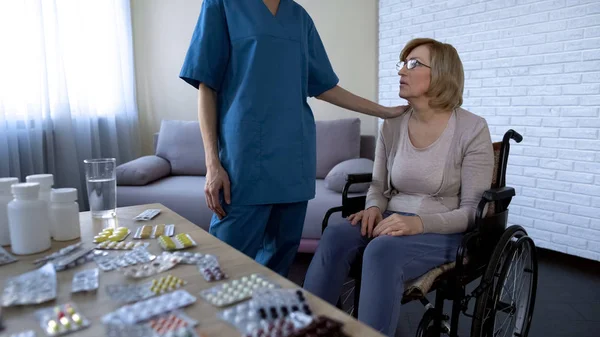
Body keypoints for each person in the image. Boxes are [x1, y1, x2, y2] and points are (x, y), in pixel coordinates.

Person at [179, 0, 405, 277]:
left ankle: (263, 316)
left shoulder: (299, 17)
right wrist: (212, 164)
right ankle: (216, 320)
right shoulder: (222, 5)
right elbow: (207, 85)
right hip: (244, 157)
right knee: (224, 264)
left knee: (280, 258)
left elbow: (325, 86)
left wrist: (384, 111)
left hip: (294, 154)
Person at [303, 37, 494, 336]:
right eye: (402, 64)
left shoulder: (472, 129)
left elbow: (472, 212)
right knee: (338, 232)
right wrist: (373, 208)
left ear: (442, 73)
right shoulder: (392, 124)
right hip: (392, 221)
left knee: (382, 251)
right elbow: (378, 185)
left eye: (414, 64)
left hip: (443, 231)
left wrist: (418, 223)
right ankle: (308, 328)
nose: (402, 71)